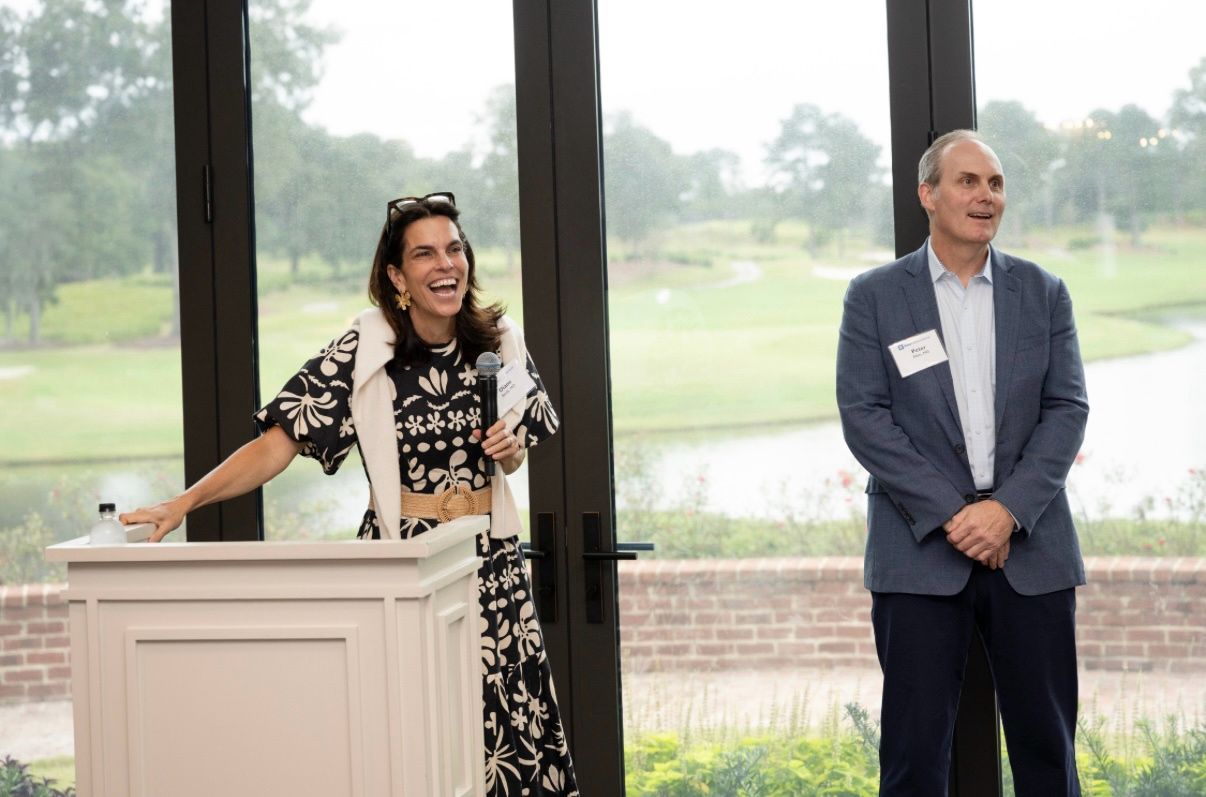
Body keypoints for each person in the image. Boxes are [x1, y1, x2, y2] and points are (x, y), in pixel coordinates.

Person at [122, 192, 580, 796]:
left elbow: (517, 451)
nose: (445, 264)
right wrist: (184, 503)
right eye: (424, 254)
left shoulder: (500, 340)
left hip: (490, 563)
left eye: (454, 249)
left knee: (504, 729)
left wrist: (511, 451)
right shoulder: (363, 349)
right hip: (402, 561)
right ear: (397, 276)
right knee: (412, 729)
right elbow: (277, 443)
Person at [836, 130, 1089, 795]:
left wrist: (1006, 512)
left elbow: (1067, 408)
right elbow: (864, 417)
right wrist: (956, 515)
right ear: (928, 194)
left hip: (1031, 550)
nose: (986, 196)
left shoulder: (1044, 292)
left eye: (996, 183)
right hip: (918, 553)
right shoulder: (874, 296)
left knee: (1048, 752)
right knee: (914, 758)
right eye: (968, 181)